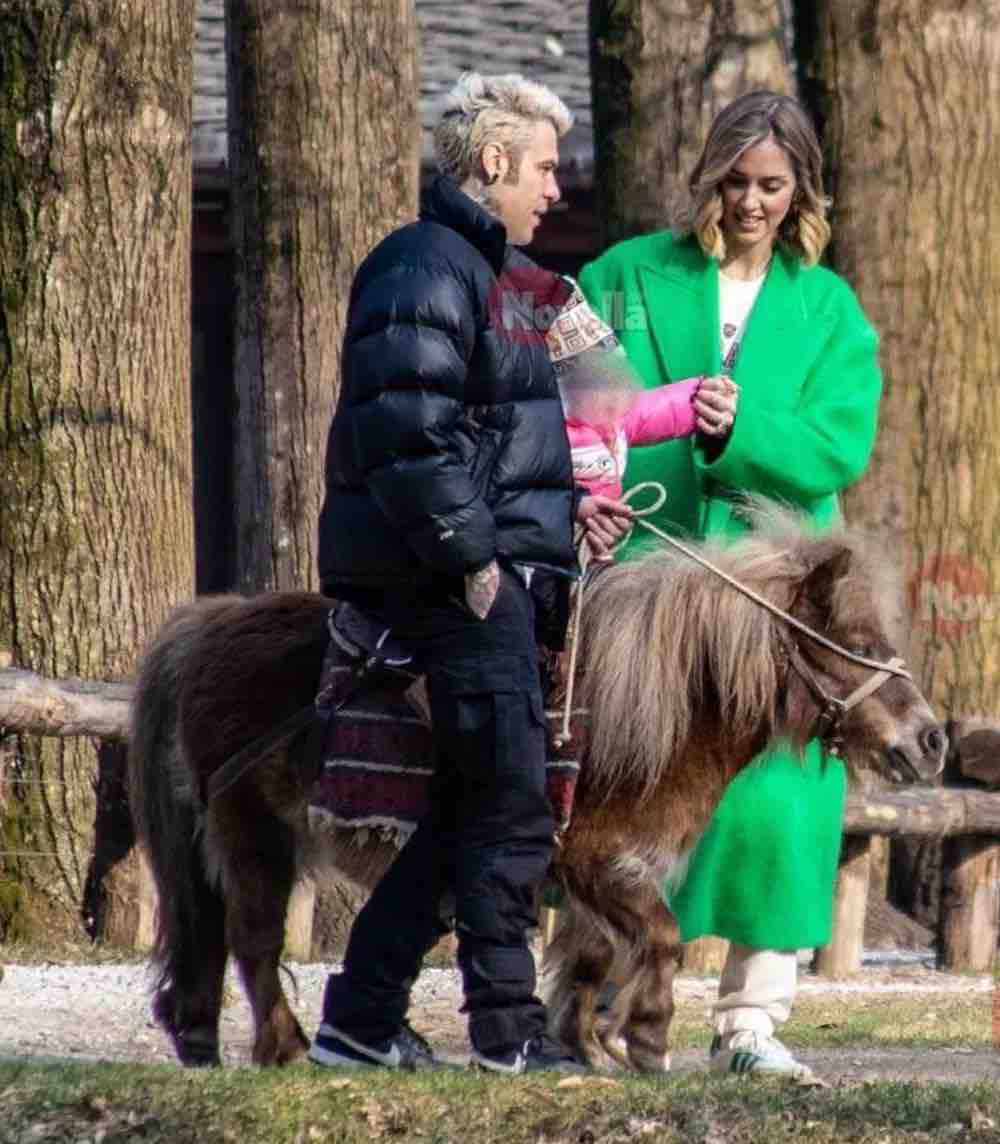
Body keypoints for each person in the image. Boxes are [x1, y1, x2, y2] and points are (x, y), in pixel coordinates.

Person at [310, 72, 632, 1076]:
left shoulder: (486, 275)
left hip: (485, 567)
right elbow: (405, 429)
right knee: (510, 805)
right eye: (542, 166)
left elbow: (485, 441)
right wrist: (477, 557)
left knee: (470, 808)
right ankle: (507, 1036)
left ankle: (358, 1023)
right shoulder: (423, 264)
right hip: (454, 581)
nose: (555, 189)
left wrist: (562, 508)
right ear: (490, 162)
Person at [577, 90, 882, 1078]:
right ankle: (580, 1004)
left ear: (801, 191)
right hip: (646, 584)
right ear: (709, 176)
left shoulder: (827, 307)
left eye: (772, 185)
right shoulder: (626, 274)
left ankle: (752, 1018)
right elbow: (570, 390)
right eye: (736, 182)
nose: (751, 202)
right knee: (620, 791)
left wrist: (735, 429)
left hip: (774, 602)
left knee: (779, 796)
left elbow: (839, 448)